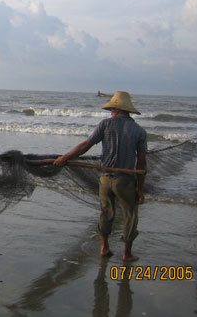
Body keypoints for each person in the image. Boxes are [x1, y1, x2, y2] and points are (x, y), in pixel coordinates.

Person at [53, 91, 147, 262]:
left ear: (115, 109)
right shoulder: (139, 131)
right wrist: (140, 189)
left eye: (112, 109)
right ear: (128, 110)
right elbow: (141, 163)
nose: (111, 112)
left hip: (105, 179)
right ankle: (127, 254)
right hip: (125, 180)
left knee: (106, 213)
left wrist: (64, 158)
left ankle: (104, 248)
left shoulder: (105, 124)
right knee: (130, 215)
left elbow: (85, 145)